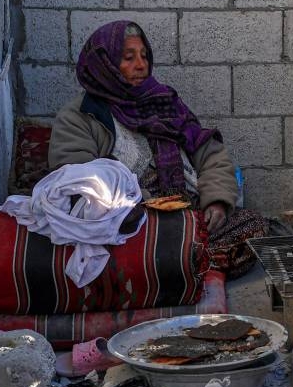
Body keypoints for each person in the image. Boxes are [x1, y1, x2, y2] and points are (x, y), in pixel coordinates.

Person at [49, 20, 266, 279]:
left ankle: (172, 264)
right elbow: (78, 182)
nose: (140, 65)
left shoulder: (164, 102)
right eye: (128, 58)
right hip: (134, 223)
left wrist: (217, 201)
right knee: (113, 248)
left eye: (144, 56)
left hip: (189, 215)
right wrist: (141, 204)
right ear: (104, 65)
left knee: (254, 226)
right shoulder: (81, 116)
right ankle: (178, 263)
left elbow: (210, 153)